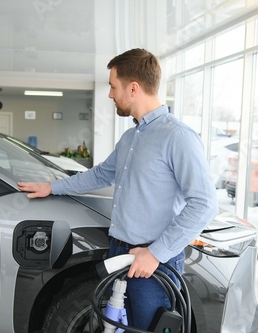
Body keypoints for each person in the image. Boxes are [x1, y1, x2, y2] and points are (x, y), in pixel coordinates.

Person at [18, 48, 218, 331]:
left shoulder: (178, 136)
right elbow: (101, 174)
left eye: (113, 87)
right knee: (115, 325)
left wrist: (156, 253)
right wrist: (51, 187)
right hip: (119, 251)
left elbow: (205, 203)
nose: (110, 94)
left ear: (133, 88)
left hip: (152, 262)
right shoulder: (130, 137)